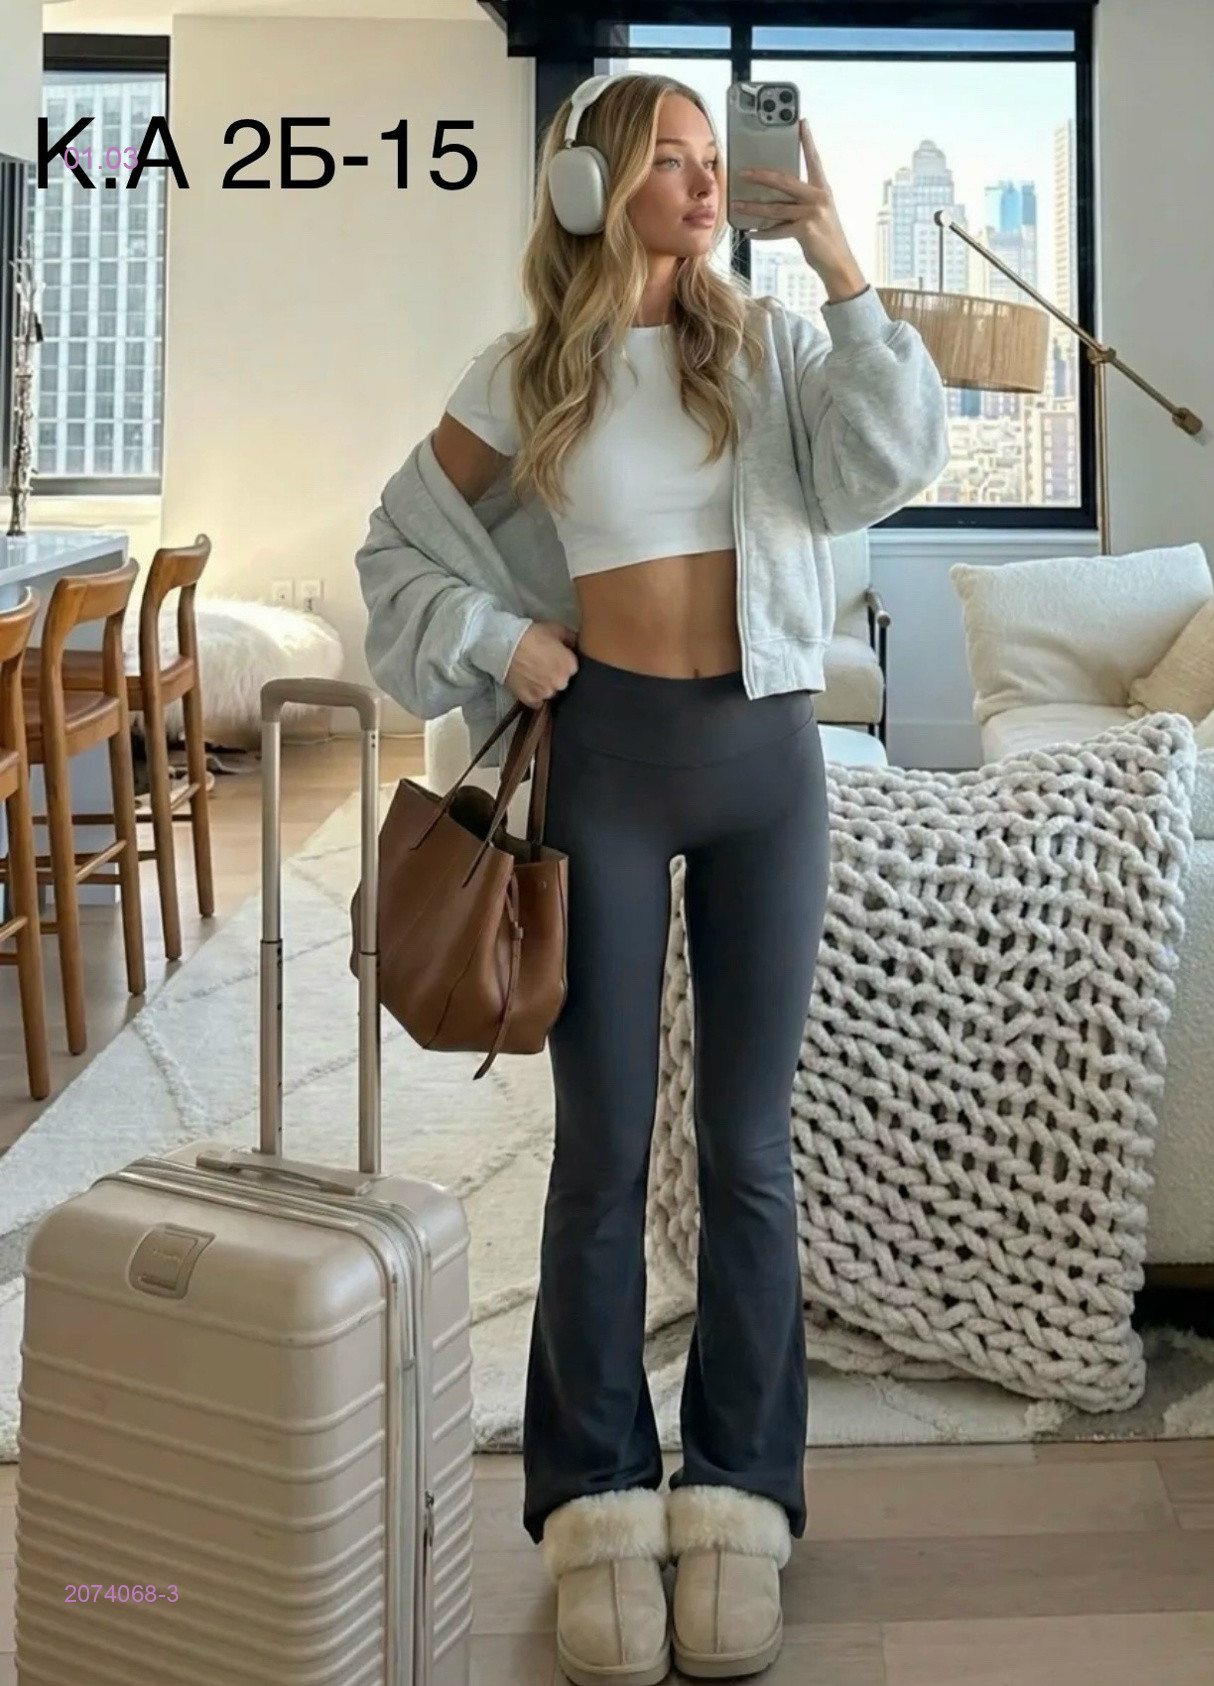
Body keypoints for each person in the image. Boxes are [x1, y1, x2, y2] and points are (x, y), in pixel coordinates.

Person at [357, 72, 947, 1686]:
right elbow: (394, 551)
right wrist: (500, 638)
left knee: (748, 1150)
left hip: (766, 767)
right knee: (601, 1151)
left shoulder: (770, 347)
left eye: (713, 160)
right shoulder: (521, 375)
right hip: (602, 771)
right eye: (672, 161)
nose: (704, 184)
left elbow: (890, 459)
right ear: (591, 188)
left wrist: (837, 252)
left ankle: (744, 1494)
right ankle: (598, 1504)